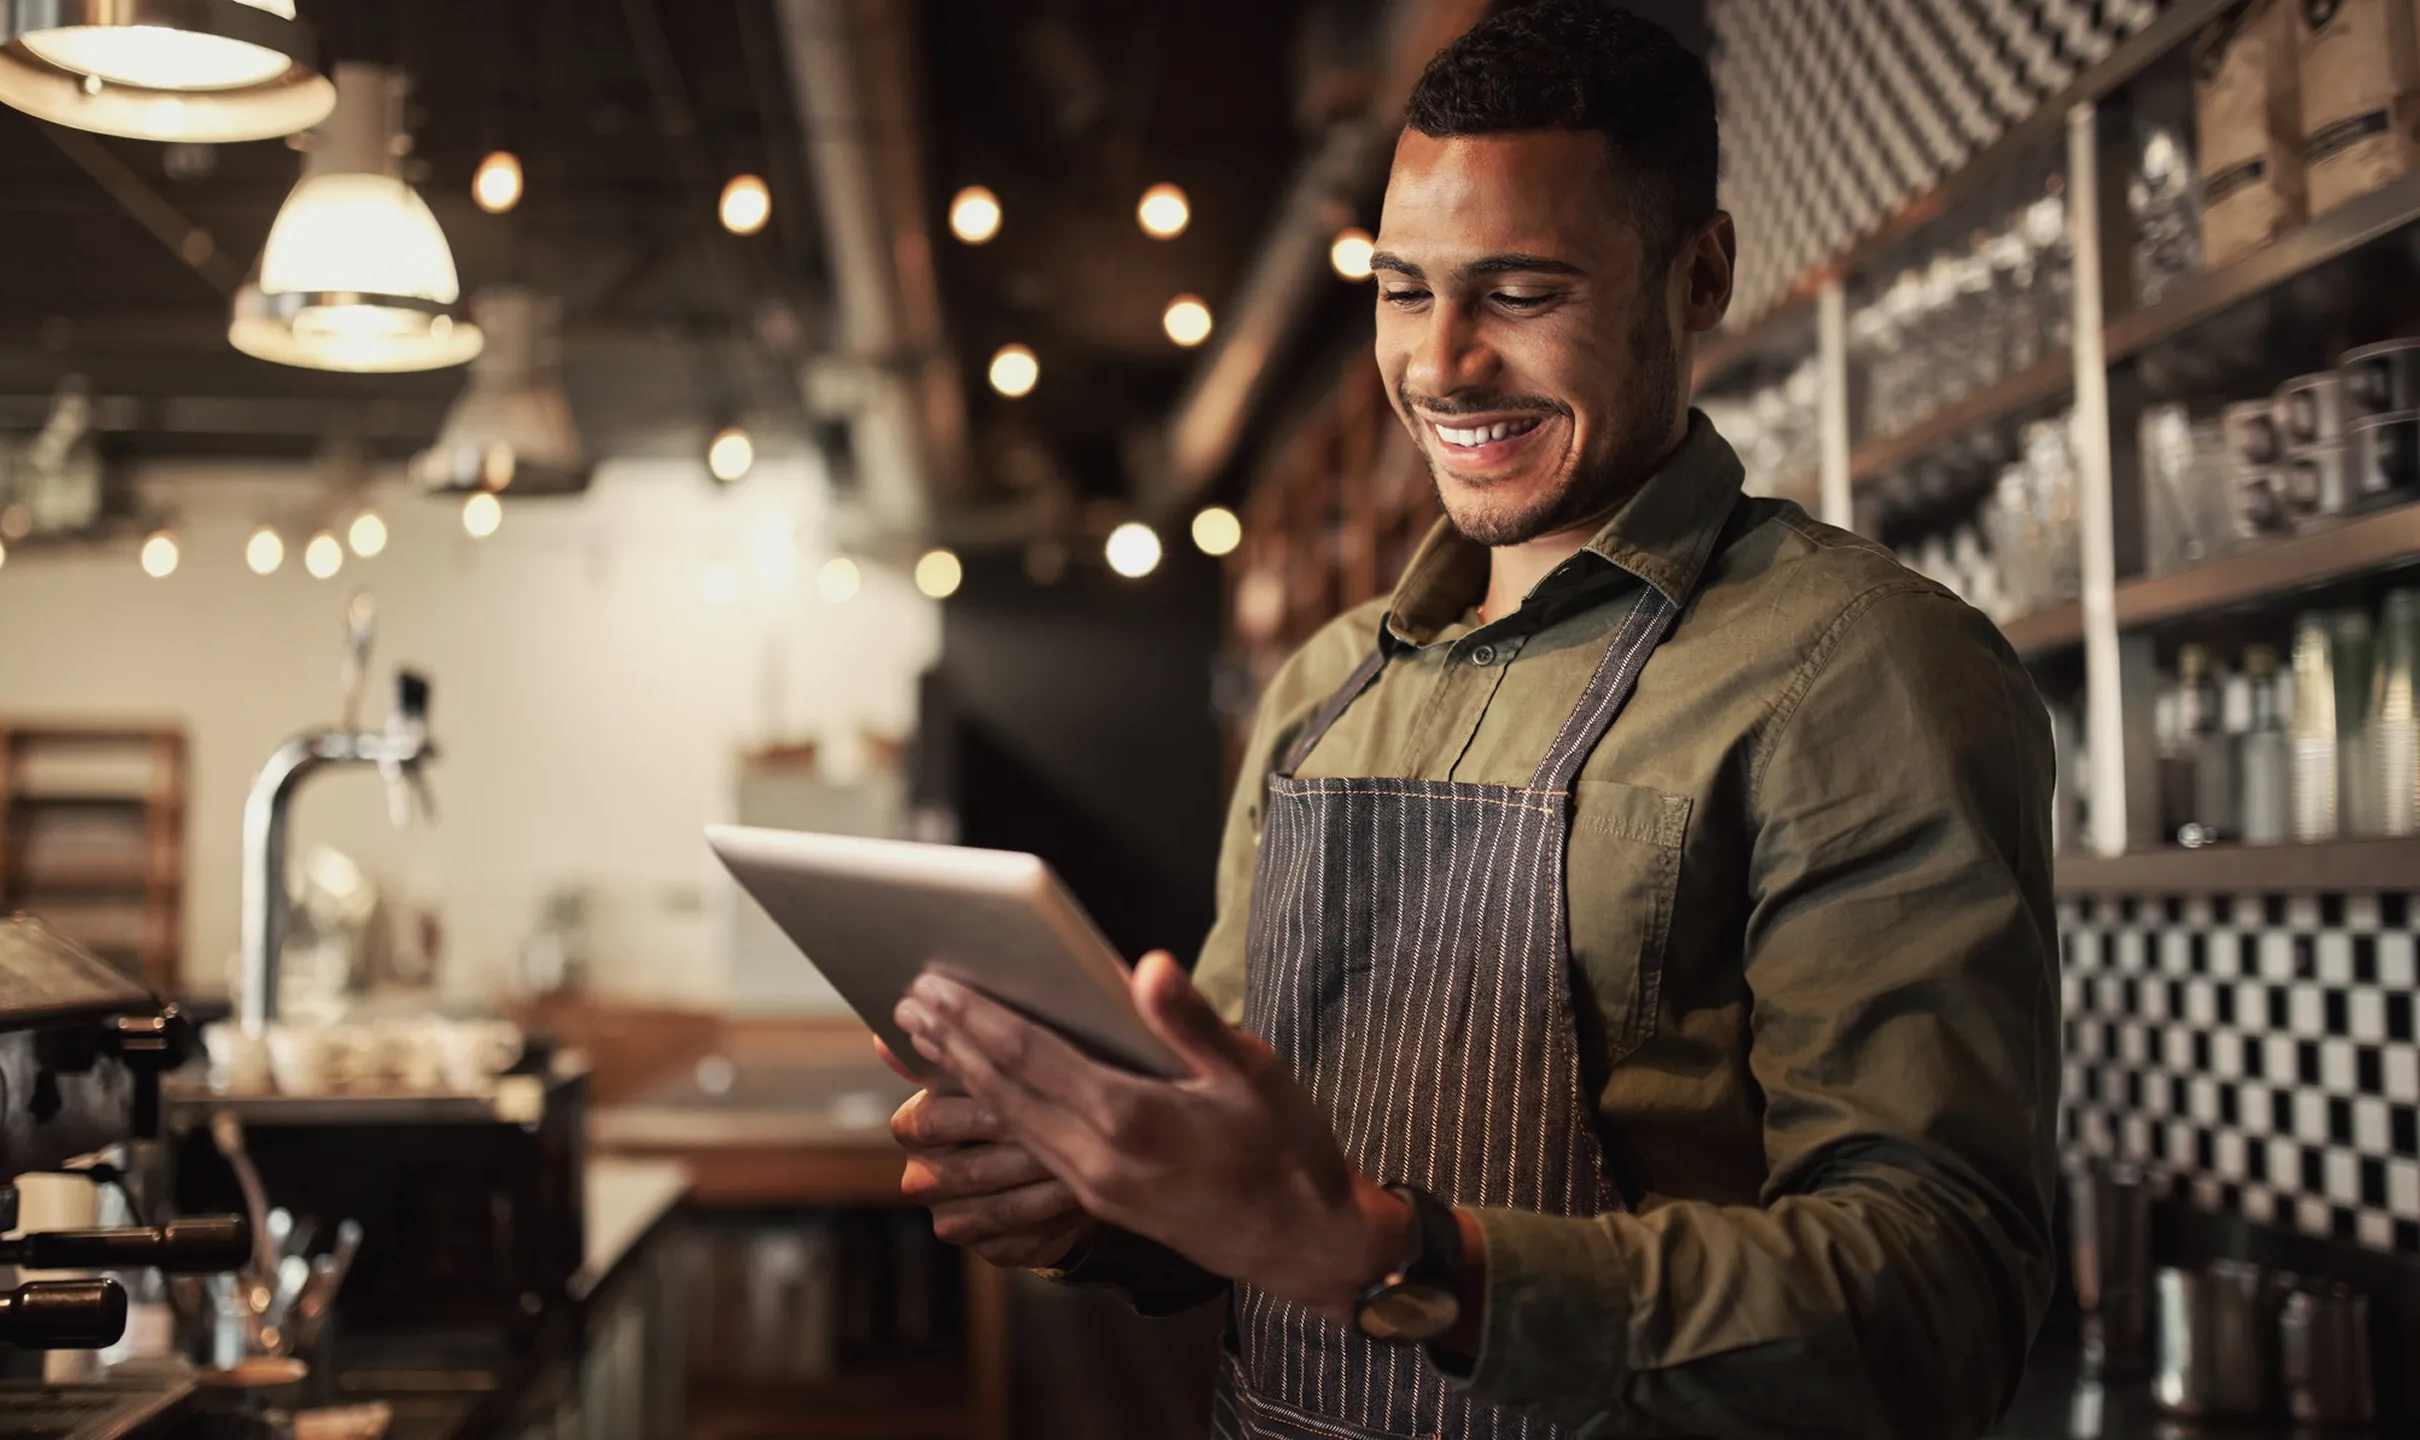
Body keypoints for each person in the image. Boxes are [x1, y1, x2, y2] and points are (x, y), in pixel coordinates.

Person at [880, 3, 2060, 1436]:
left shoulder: (1863, 669)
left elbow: (1937, 1304)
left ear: (1698, 277)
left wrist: (1395, 1258)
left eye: (1519, 292)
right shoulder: (1325, 692)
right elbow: (1254, 1186)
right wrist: (1104, 1194)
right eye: (1402, 290)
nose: (1441, 364)